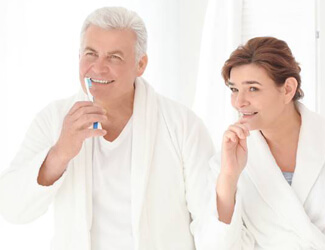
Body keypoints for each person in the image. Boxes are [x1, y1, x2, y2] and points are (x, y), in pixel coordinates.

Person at [0, 7, 215, 250]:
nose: (98, 68)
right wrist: (59, 154)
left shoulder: (182, 125)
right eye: (91, 54)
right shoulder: (54, 119)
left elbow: (210, 221)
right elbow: (11, 208)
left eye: (114, 57)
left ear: (140, 64)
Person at [195, 37, 325, 249]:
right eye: (234, 89)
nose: (239, 102)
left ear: (288, 89)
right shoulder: (225, 164)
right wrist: (229, 177)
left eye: (253, 89)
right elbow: (215, 246)